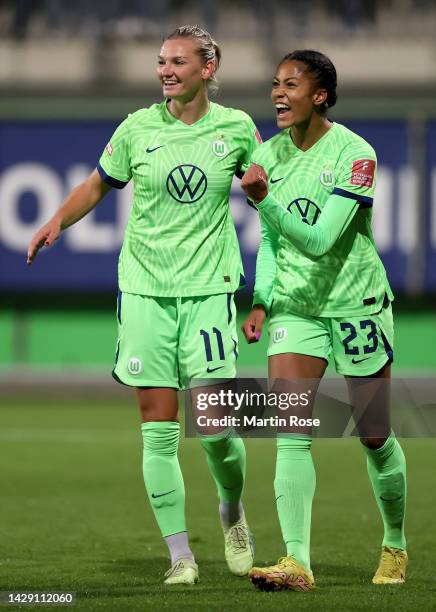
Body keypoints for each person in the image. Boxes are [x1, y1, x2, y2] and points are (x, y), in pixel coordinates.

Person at [27, 25, 260, 586]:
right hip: (145, 292)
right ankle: (180, 556)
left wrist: (260, 190)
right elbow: (96, 185)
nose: (165, 70)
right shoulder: (136, 128)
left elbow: (263, 187)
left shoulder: (237, 128)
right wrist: (58, 218)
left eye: (178, 61)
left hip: (207, 291)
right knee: (157, 429)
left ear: (207, 68)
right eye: (161, 62)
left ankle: (232, 511)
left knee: (216, 428)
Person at [241, 49, 407, 591]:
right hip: (297, 307)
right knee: (290, 432)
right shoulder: (267, 153)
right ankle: (296, 563)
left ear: (320, 95)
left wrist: (265, 199)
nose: (278, 94)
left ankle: (395, 543)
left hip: (356, 303)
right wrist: (263, 298)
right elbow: (271, 242)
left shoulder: (357, 154)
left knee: (374, 433)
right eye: (275, 83)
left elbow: (317, 240)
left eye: (292, 84)